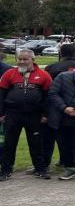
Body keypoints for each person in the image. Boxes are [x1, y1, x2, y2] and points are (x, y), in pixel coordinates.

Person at [0, 49, 53, 180]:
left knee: (36, 142)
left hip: (34, 115)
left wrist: (45, 114)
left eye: (25, 59)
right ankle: (6, 170)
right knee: (9, 143)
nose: (22, 62)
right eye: (20, 59)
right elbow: (1, 95)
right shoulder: (9, 74)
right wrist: (1, 114)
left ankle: (40, 169)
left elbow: (48, 97)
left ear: (33, 60)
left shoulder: (44, 75)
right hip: (12, 114)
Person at [43, 43, 75, 169]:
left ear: (61, 53)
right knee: (71, 135)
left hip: (55, 105)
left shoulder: (51, 68)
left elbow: (46, 88)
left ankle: (46, 161)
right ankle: (67, 160)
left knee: (50, 134)